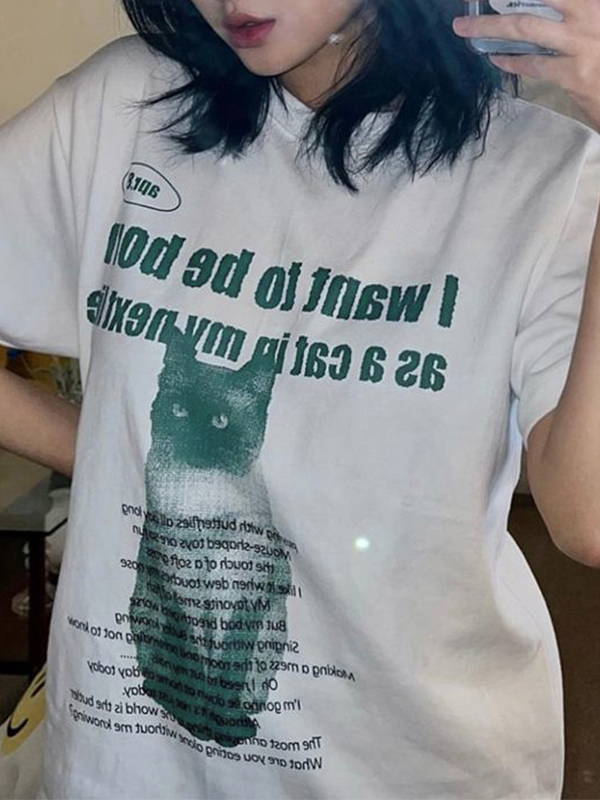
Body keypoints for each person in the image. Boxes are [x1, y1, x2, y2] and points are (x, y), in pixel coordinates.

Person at [1, 0, 600, 797]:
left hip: (409, 767)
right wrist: (114, 452)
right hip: (133, 765)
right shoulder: (123, 107)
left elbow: (586, 517)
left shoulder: (549, 176)